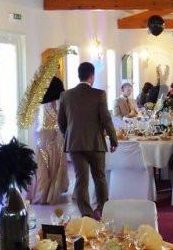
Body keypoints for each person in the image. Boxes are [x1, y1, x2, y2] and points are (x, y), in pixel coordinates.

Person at [58, 62, 118, 219]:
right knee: (99, 177)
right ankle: (103, 209)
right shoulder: (99, 94)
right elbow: (106, 119)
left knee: (81, 178)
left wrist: (70, 135)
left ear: (79, 75)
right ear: (92, 76)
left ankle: (86, 214)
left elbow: (61, 122)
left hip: (75, 143)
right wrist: (113, 139)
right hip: (95, 142)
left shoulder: (66, 95)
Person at [30, 76, 69, 204]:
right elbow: (60, 120)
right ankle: (49, 193)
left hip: (40, 136)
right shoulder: (56, 102)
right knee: (54, 165)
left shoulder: (39, 97)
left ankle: (42, 191)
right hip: (53, 136)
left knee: (42, 165)